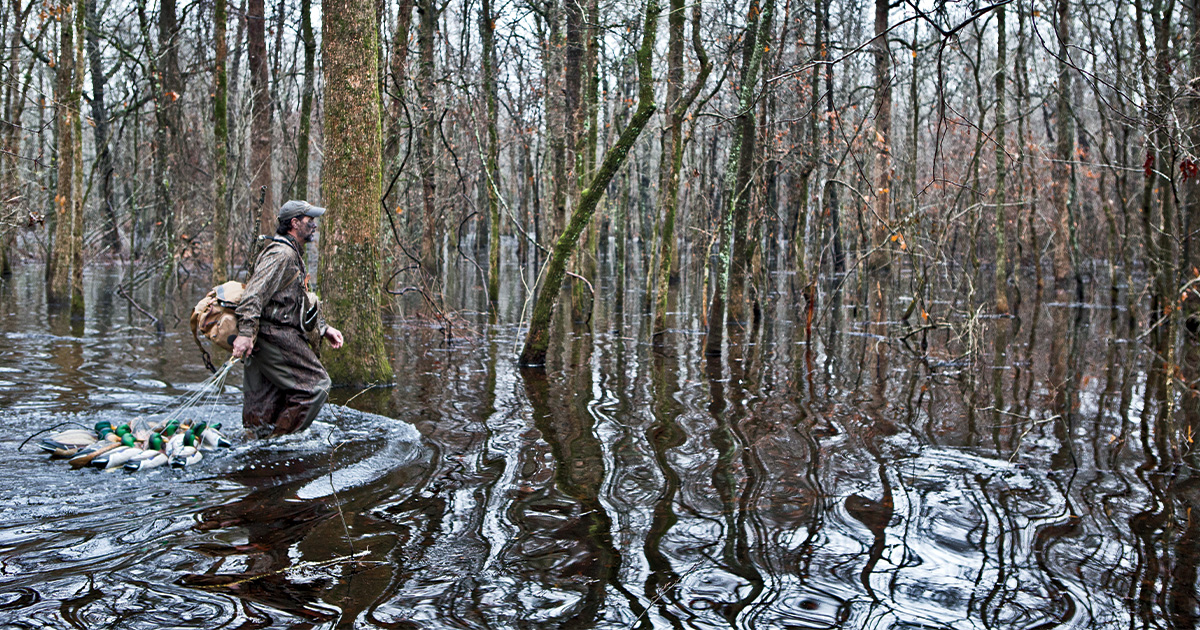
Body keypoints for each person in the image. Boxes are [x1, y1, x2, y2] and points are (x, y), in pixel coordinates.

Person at [232, 200, 344, 438]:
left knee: (261, 414)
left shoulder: (291, 253)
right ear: (294, 223)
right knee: (316, 386)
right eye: (309, 220)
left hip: (269, 336)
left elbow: (298, 301)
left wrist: (323, 328)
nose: (313, 225)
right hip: (274, 336)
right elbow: (253, 294)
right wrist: (244, 333)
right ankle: (280, 441)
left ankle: (259, 452)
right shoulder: (281, 254)